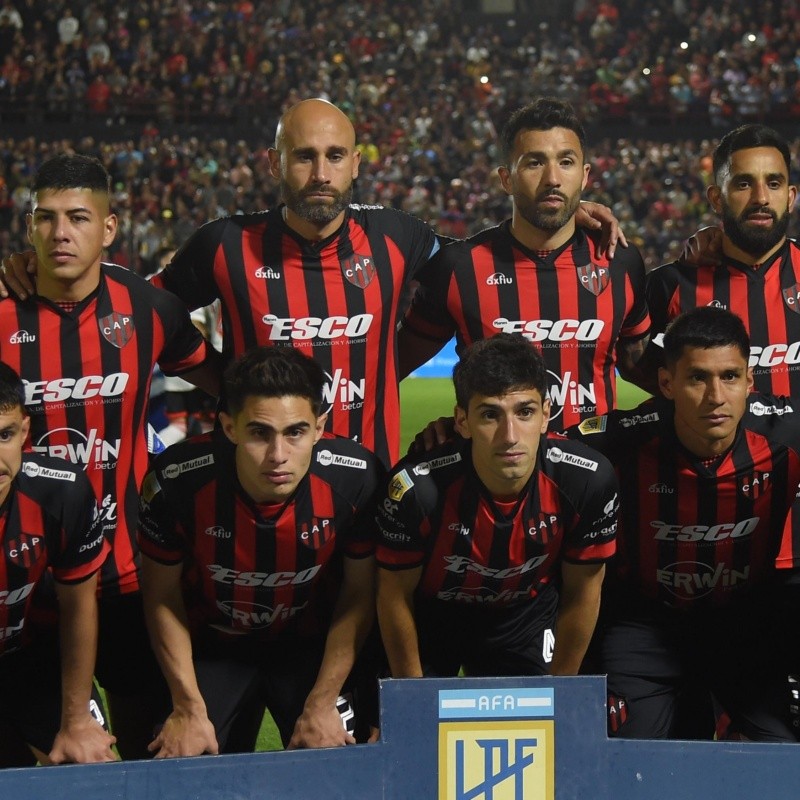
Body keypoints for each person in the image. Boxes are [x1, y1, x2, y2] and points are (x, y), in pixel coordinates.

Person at [0, 99, 624, 467]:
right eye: (304, 156)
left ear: (357, 163)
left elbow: (486, 261)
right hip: (258, 480)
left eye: (334, 156)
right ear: (275, 163)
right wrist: (48, 266)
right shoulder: (224, 244)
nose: (320, 172)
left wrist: (562, 214)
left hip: (370, 487)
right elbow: (135, 314)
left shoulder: (399, 238)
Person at [0, 154, 220, 759]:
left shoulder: (149, 309)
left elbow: (227, 388)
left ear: (110, 228)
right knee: (54, 757)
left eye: (77, 217)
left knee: (153, 742)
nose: (60, 233)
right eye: (45, 219)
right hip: (30, 580)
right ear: (28, 228)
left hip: (129, 573)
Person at [566, 306, 800, 741]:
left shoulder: (784, 435)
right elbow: (528, 453)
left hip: (748, 623)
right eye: (697, 378)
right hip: (644, 626)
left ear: (750, 381)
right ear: (667, 383)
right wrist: (454, 435)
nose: (716, 396)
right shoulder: (620, 441)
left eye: (730, 376)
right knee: (632, 761)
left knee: (783, 757)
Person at [137, 346, 385, 756]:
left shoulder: (356, 478)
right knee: (180, 757)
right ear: (229, 428)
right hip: (214, 647)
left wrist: (323, 701)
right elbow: (161, 596)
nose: (278, 455)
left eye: (295, 432)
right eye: (258, 433)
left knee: (345, 755)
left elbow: (359, 594)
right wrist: (187, 705)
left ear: (320, 427)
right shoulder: (176, 482)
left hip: (310, 647)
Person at [397, 97, 650, 430]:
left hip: (599, 472)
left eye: (566, 162)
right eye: (534, 163)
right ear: (506, 179)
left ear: (585, 175)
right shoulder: (459, 268)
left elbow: (645, 367)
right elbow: (387, 369)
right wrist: (456, 423)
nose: (553, 178)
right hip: (495, 476)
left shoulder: (620, 260)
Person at [376, 333, 618, 679]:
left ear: (546, 414)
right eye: (491, 415)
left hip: (525, 617)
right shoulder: (417, 490)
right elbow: (394, 596)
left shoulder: (586, 479)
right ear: (463, 421)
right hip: (432, 617)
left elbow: (583, 591)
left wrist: (561, 694)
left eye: (525, 412)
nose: (510, 435)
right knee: (394, 729)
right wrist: (411, 698)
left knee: (549, 727)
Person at [0, 361, 116, 767]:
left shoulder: (60, 491)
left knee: (96, 775)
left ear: (25, 432)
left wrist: (76, 719)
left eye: (4, 435)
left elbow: (79, 606)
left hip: (34, 657)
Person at [644, 124, 799, 395]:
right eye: (743, 183)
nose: (761, 198)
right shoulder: (670, 285)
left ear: (790, 197)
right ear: (717, 199)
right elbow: (625, 355)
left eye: (773, 183)